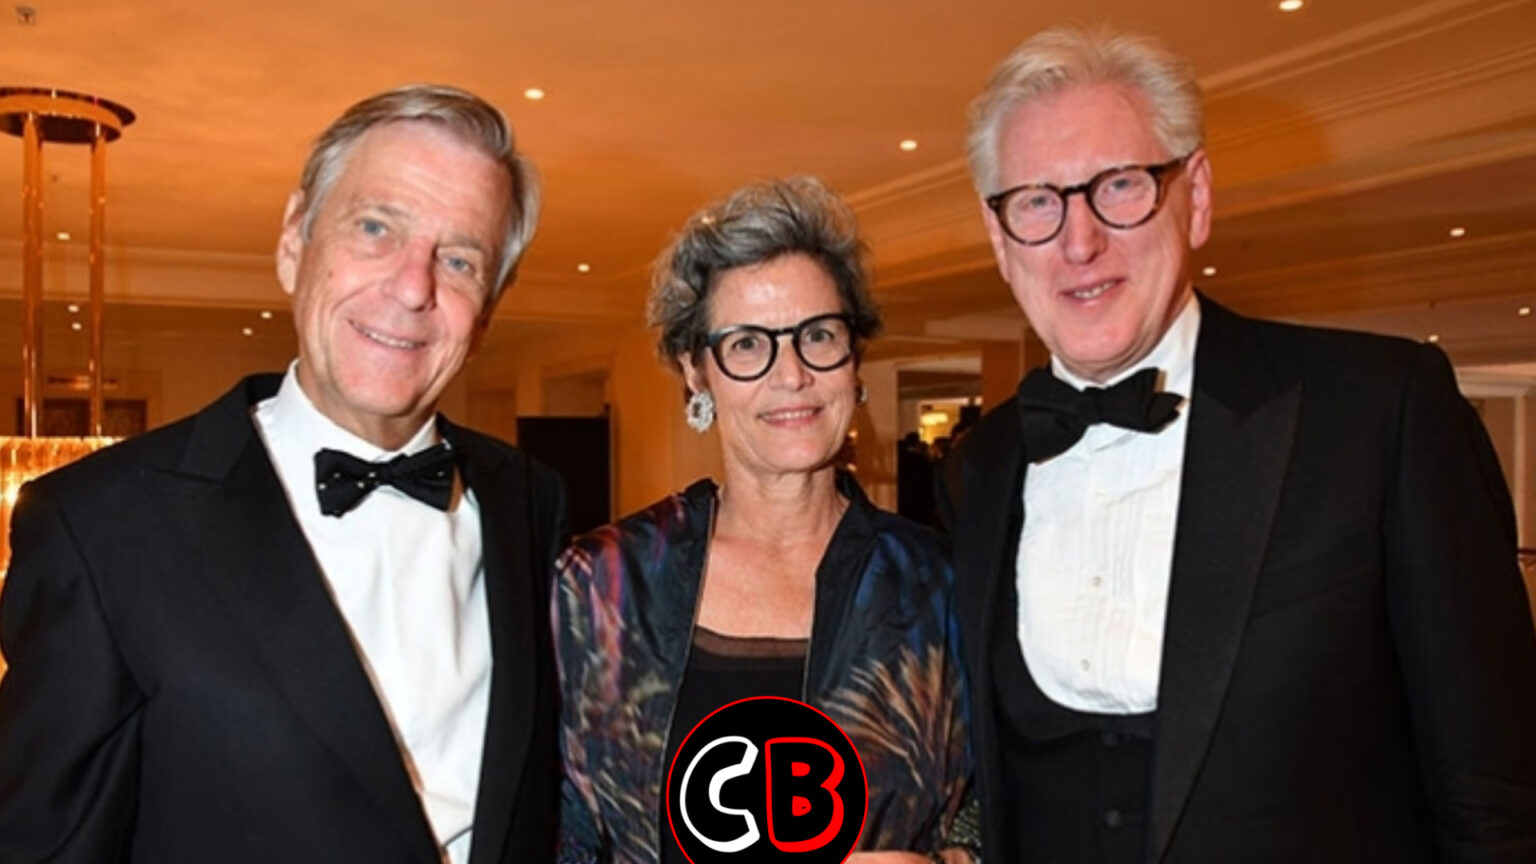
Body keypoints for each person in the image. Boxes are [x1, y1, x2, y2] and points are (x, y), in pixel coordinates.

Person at [941, 25, 1536, 863]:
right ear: (999, 237)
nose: (1079, 242)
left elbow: (1496, 800)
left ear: (1196, 197)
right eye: (1038, 202)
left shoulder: (1380, 411)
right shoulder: (979, 466)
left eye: (1120, 186)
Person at [0, 85, 566, 863]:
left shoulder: (530, 499)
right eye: (376, 227)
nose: (413, 288)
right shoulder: (98, 525)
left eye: (461, 259)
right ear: (296, 239)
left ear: (489, 308)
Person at [554, 177, 975, 863]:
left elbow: (1008, 799)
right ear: (697, 372)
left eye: (818, 335)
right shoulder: (602, 585)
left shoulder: (940, 585)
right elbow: (552, 826)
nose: (792, 375)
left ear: (854, 358)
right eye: (748, 345)